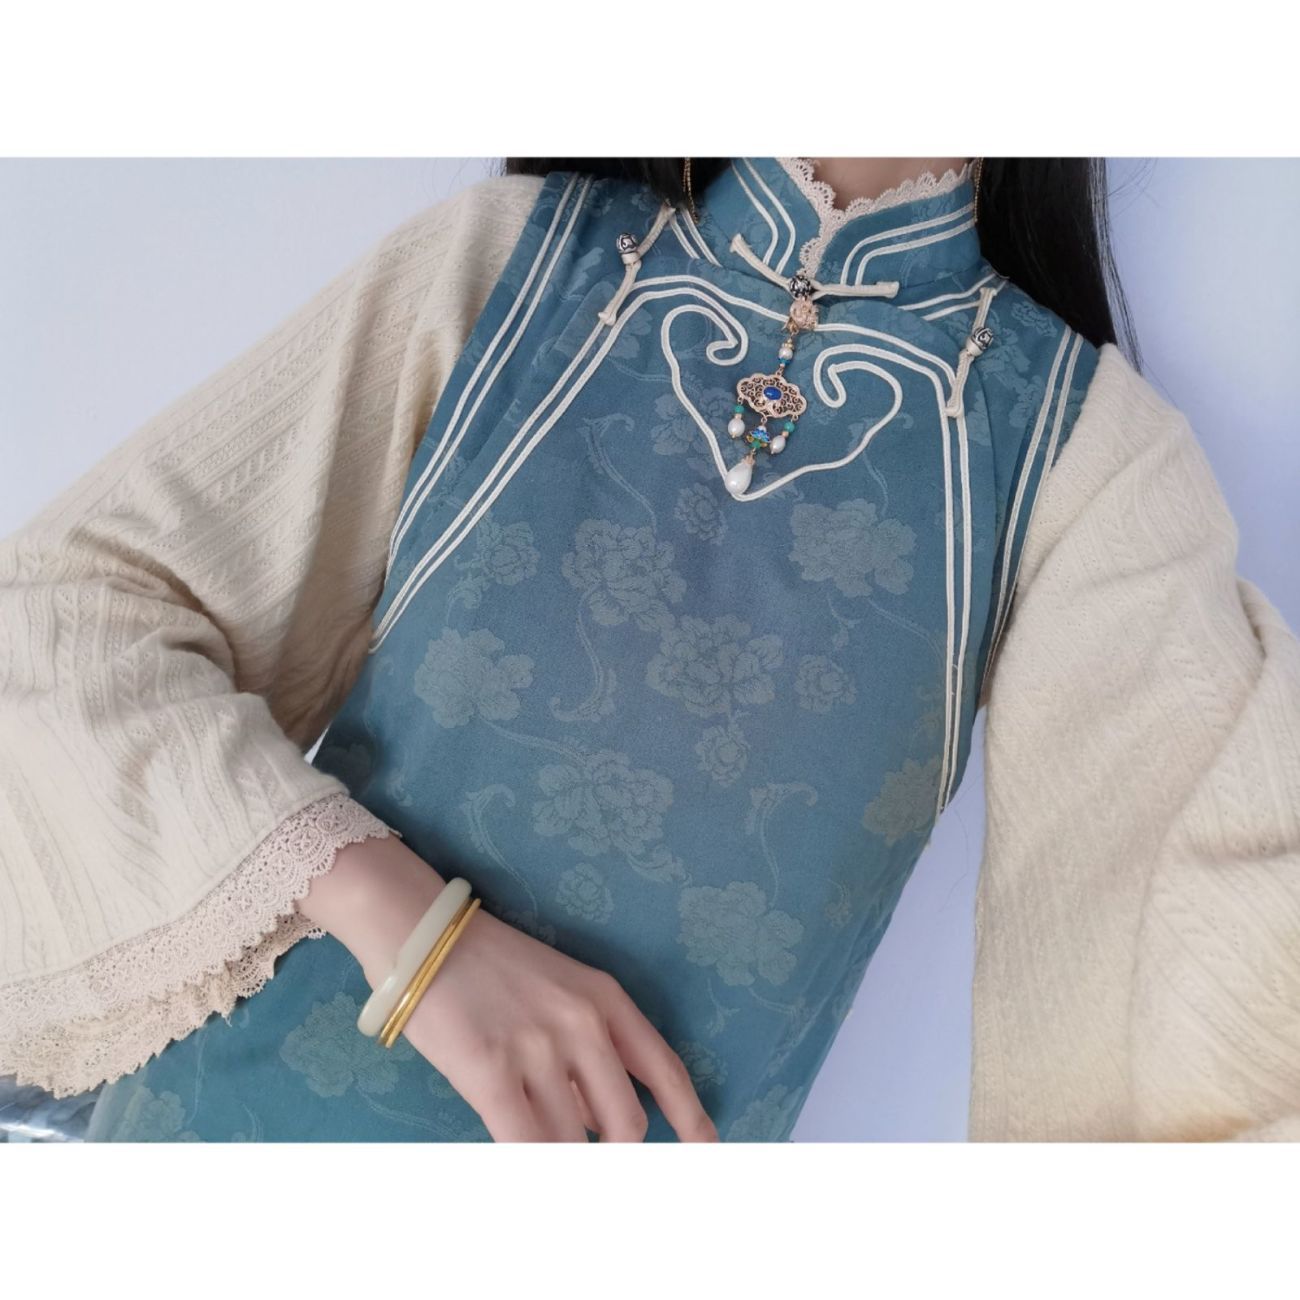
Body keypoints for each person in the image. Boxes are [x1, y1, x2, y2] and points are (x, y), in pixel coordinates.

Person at [1, 158, 1297, 1142]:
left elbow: (1201, 963)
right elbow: (61, 619)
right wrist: (409, 929)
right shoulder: (510, 265)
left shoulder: (1081, 455)